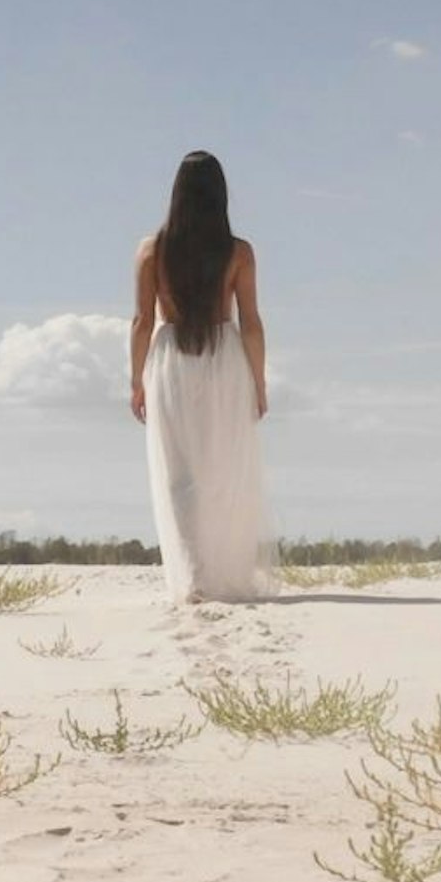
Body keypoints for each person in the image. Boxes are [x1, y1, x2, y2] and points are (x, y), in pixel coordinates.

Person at [130, 150, 276, 603]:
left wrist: (136, 381)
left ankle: (192, 575)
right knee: (222, 469)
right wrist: (259, 380)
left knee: (180, 473)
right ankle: (219, 572)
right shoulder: (238, 251)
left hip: (171, 359)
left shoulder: (152, 250)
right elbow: (250, 321)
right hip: (224, 358)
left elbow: (141, 319)